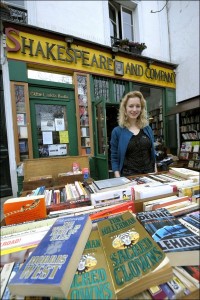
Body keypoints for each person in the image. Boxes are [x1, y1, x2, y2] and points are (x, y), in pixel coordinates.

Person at [110, 91, 157, 177]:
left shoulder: (147, 129)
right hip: (129, 178)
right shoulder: (117, 132)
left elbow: (152, 153)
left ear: (141, 108)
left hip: (149, 175)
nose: (134, 109)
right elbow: (114, 157)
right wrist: (118, 178)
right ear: (125, 108)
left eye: (138, 106)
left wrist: (155, 172)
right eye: (131, 106)